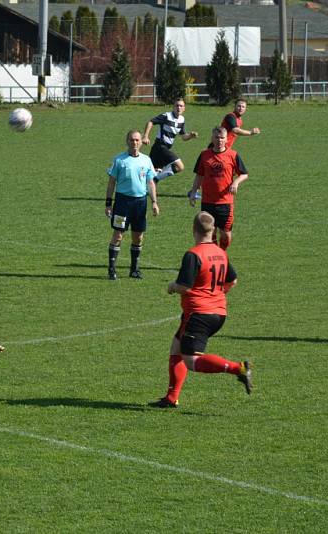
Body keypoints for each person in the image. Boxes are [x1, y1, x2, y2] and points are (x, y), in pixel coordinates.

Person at [148, 212, 252, 408]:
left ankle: (238, 368)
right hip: (218, 312)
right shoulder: (220, 252)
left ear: (193, 229)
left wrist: (172, 286)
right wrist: (215, 295)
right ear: (212, 231)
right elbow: (233, 280)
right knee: (176, 347)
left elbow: (184, 287)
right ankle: (171, 398)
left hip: (199, 314)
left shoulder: (193, 254)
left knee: (191, 360)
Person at [105, 129, 160, 280]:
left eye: (137, 140)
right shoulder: (119, 160)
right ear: (127, 142)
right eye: (131, 140)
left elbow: (150, 182)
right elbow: (111, 183)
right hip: (123, 203)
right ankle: (111, 269)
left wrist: (154, 202)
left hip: (140, 203)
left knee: (138, 236)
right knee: (118, 235)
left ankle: (134, 269)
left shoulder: (146, 160)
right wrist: (108, 203)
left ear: (141, 142)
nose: (134, 143)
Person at [188, 127, 249, 251]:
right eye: (216, 137)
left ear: (226, 139)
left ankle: (222, 252)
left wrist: (236, 182)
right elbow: (199, 175)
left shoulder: (233, 155)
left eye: (222, 138)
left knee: (225, 235)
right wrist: (194, 191)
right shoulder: (204, 155)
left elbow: (244, 174)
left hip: (225, 202)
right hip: (207, 201)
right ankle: (216, 256)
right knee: (210, 233)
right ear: (212, 138)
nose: (219, 140)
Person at [143, 98, 198, 183]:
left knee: (152, 174)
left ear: (184, 108)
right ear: (173, 107)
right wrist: (145, 136)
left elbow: (183, 137)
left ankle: (151, 183)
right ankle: (155, 179)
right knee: (180, 166)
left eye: (181, 106)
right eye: (177, 105)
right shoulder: (166, 116)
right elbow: (151, 122)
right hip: (160, 146)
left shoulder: (182, 120)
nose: (179, 108)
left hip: (162, 149)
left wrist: (190, 135)